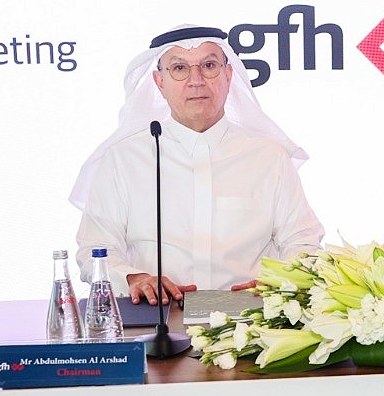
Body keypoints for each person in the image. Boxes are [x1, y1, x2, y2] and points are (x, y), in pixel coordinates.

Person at [71, 25, 324, 304]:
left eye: (209, 66)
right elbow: (95, 250)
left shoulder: (269, 157)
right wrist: (133, 278)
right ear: (159, 82)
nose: (196, 80)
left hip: (251, 316)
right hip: (156, 317)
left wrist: (278, 281)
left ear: (228, 75)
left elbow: (303, 242)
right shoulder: (124, 159)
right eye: (179, 68)